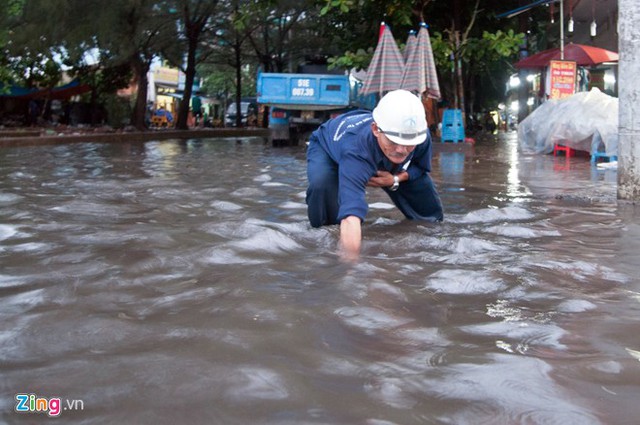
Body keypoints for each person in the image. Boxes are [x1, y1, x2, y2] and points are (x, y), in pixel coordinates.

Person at [306, 89, 443, 260]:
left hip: (384, 161)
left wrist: (394, 179)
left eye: (409, 144)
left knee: (431, 220)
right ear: (376, 129)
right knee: (323, 186)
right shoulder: (356, 152)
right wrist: (349, 269)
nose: (401, 150)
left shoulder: (418, 136)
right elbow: (351, 215)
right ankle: (326, 240)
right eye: (394, 141)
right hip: (329, 148)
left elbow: (421, 169)